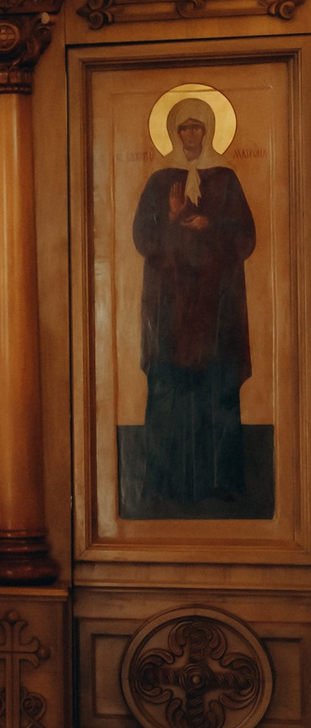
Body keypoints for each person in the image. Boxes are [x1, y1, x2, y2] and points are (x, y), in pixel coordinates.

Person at [132, 95, 257, 505]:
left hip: (216, 309)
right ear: (174, 132)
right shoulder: (158, 181)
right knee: (166, 392)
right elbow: (143, 239)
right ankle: (161, 487)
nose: (190, 134)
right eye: (184, 127)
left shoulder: (226, 179)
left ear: (208, 130)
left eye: (197, 126)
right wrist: (170, 218)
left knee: (219, 392)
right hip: (170, 312)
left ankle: (222, 487)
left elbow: (245, 238)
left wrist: (210, 224)